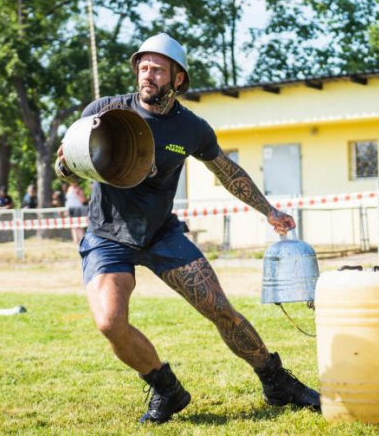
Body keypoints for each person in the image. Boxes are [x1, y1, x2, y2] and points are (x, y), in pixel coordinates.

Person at [56, 33, 319, 424]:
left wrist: (268, 211)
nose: (148, 75)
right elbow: (65, 166)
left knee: (221, 310)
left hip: (162, 234)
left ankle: (276, 380)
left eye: (157, 70)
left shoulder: (191, 128)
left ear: (177, 78)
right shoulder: (106, 110)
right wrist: (67, 165)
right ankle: (167, 389)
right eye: (143, 67)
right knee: (110, 323)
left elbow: (226, 171)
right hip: (108, 236)